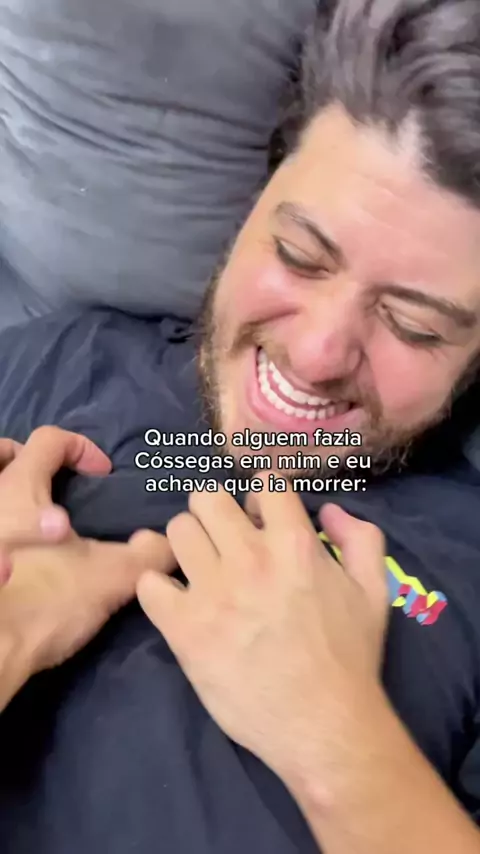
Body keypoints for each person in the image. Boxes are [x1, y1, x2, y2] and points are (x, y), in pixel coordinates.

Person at [1, 1, 480, 852]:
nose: (318, 352)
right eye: (299, 255)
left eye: (413, 326)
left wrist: (340, 742)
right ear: (253, 208)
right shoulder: (62, 363)